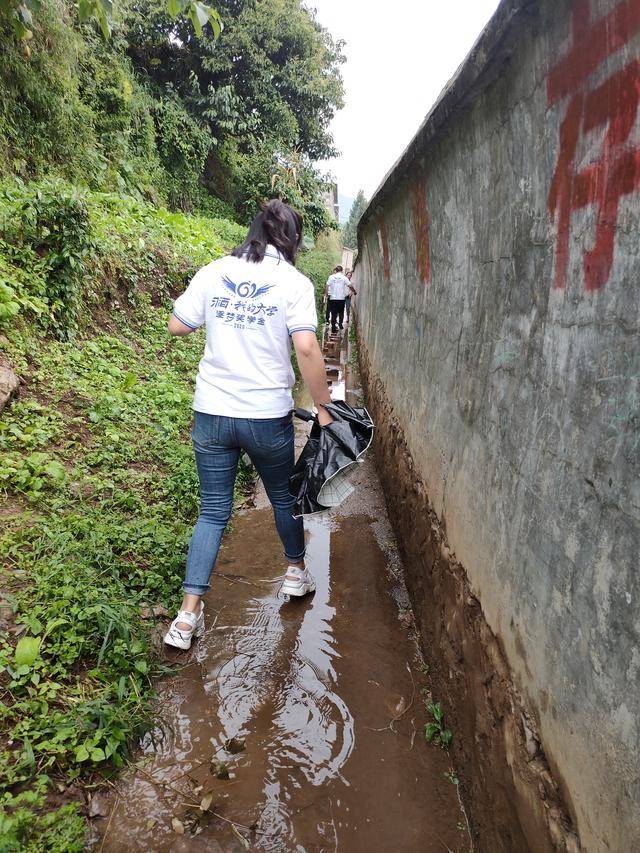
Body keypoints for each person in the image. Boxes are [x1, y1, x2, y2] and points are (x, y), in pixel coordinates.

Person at [164, 199, 334, 650]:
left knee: (213, 510)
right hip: (265, 416)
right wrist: (323, 407)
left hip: (213, 413)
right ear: (293, 240)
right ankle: (295, 574)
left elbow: (177, 325)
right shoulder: (294, 283)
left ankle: (186, 618)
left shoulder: (213, 271)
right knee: (283, 497)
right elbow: (307, 349)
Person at [324, 265, 350, 333]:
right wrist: (354, 291)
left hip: (332, 298)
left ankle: (333, 328)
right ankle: (340, 325)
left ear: (336, 270)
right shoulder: (344, 278)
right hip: (341, 299)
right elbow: (350, 285)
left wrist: (326, 295)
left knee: (333, 313)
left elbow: (327, 285)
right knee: (341, 312)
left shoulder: (331, 277)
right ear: (342, 270)